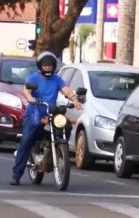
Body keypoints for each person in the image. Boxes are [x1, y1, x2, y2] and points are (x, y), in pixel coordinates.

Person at [10, 51, 82, 186]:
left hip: (52, 112)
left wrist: (75, 100)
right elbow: (27, 92)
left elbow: (66, 90)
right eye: (45, 65)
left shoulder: (57, 79)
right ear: (40, 66)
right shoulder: (33, 78)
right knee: (26, 141)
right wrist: (32, 99)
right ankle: (16, 174)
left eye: (50, 65)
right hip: (35, 112)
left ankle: (60, 151)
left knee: (65, 125)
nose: (47, 68)